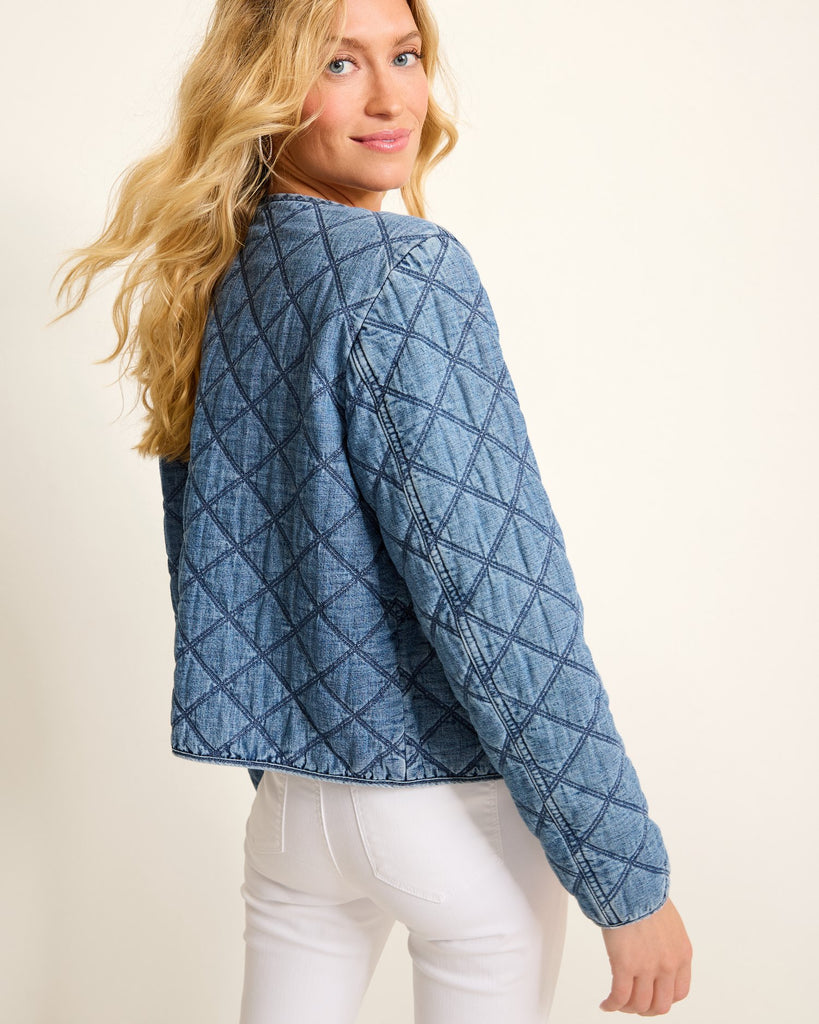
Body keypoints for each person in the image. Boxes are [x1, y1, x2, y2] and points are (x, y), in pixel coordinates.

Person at [53, 0, 693, 1020]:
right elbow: (496, 596)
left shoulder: (222, 275)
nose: (394, 97)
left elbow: (213, 561)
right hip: (452, 818)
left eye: (405, 54)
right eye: (339, 64)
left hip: (295, 813)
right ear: (264, 86)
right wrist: (626, 878)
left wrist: (294, 763)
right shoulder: (407, 273)